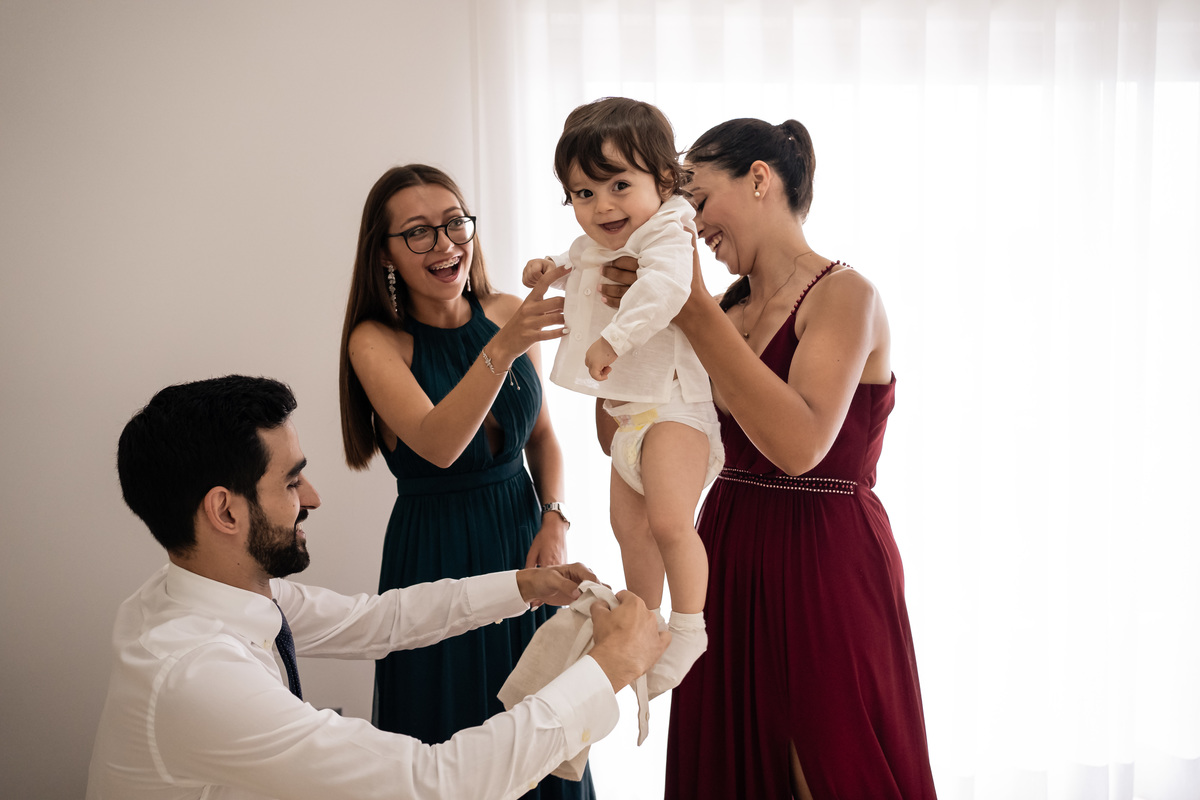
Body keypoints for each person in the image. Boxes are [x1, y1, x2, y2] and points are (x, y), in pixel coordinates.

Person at [86, 375, 667, 800]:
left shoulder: (206, 590)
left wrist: (522, 586)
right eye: (291, 482)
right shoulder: (197, 676)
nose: (312, 498)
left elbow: (378, 620)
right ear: (225, 512)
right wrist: (609, 666)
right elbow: (436, 785)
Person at [599, 118, 937, 798]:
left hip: (826, 560)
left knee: (828, 764)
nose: (691, 225)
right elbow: (617, 438)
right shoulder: (722, 307)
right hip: (726, 550)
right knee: (733, 764)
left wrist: (691, 308)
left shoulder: (845, 295)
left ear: (759, 179)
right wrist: (631, 324)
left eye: (697, 201)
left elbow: (798, 446)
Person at [337, 165, 593, 799]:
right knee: (453, 739)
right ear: (385, 253)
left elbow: (543, 437)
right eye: (418, 232)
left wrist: (555, 519)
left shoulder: (506, 310)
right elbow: (439, 446)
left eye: (455, 223)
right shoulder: (376, 341)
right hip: (438, 553)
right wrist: (501, 348)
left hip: (522, 537)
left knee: (544, 727)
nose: (446, 244)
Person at [522, 98, 722, 698]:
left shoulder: (667, 231)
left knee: (669, 523)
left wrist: (614, 339)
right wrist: (549, 266)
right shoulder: (606, 238)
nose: (602, 205)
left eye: (618, 185)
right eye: (583, 193)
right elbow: (578, 256)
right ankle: (646, 624)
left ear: (664, 181)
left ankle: (689, 628)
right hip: (633, 415)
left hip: (676, 408)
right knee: (628, 530)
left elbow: (665, 288)